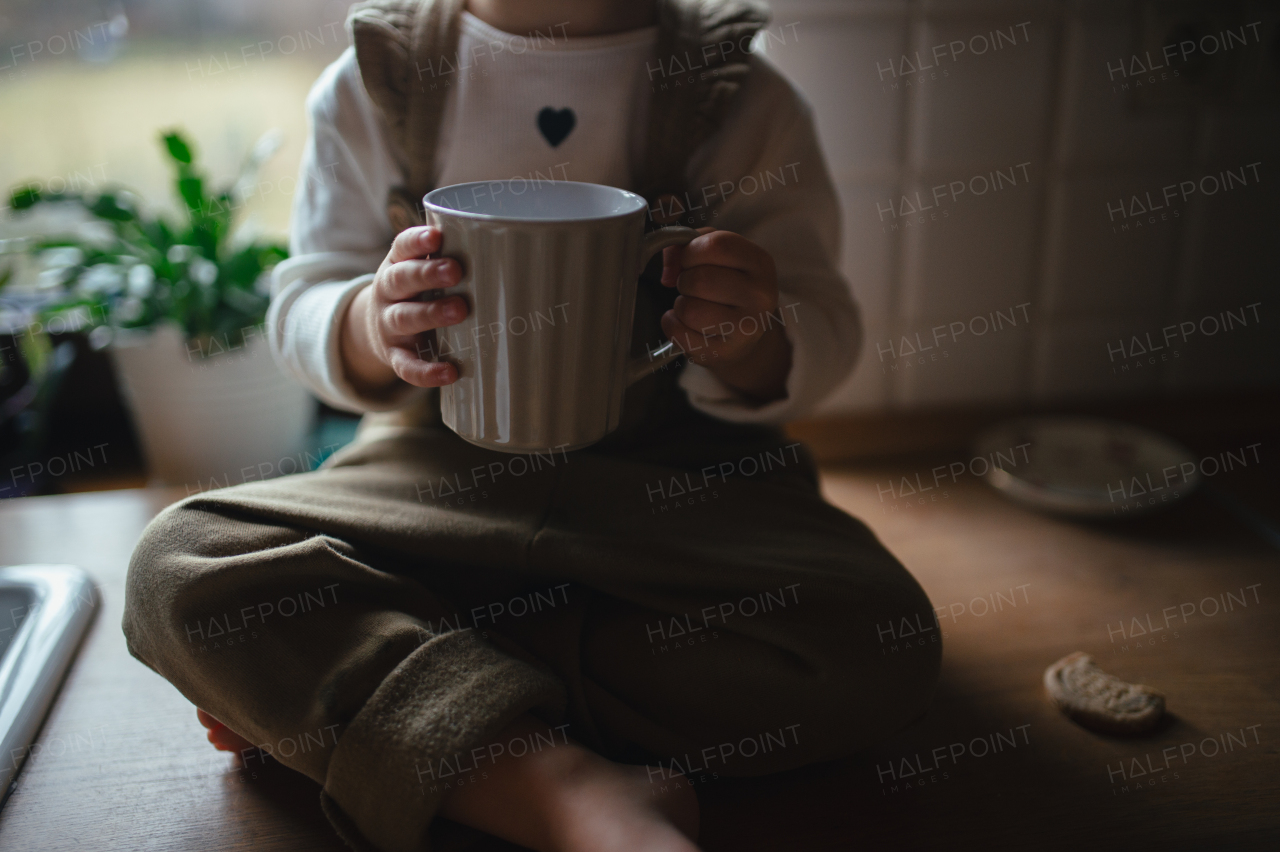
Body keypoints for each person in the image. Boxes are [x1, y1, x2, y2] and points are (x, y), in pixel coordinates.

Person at [123, 2, 942, 851]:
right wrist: (373, 318)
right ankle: (562, 790)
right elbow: (304, 299)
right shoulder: (379, 82)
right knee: (177, 565)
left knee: (882, 640)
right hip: (436, 472)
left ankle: (382, 695)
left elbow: (826, 330)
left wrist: (751, 337)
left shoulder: (740, 96)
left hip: (687, 485)